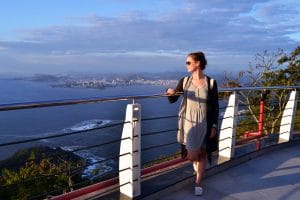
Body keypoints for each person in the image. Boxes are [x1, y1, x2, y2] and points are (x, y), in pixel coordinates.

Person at [165, 51, 219, 196]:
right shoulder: (185, 81)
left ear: (198, 63)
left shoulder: (211, 83)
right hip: (189, 123)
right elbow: (173, 99)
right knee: (192, 155)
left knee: (203, 152)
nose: (186, 65)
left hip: (204, 123)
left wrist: (214, 125)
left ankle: (198, 182)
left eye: (188, 62)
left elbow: (215, 107)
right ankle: (197, 166)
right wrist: (169, 92)